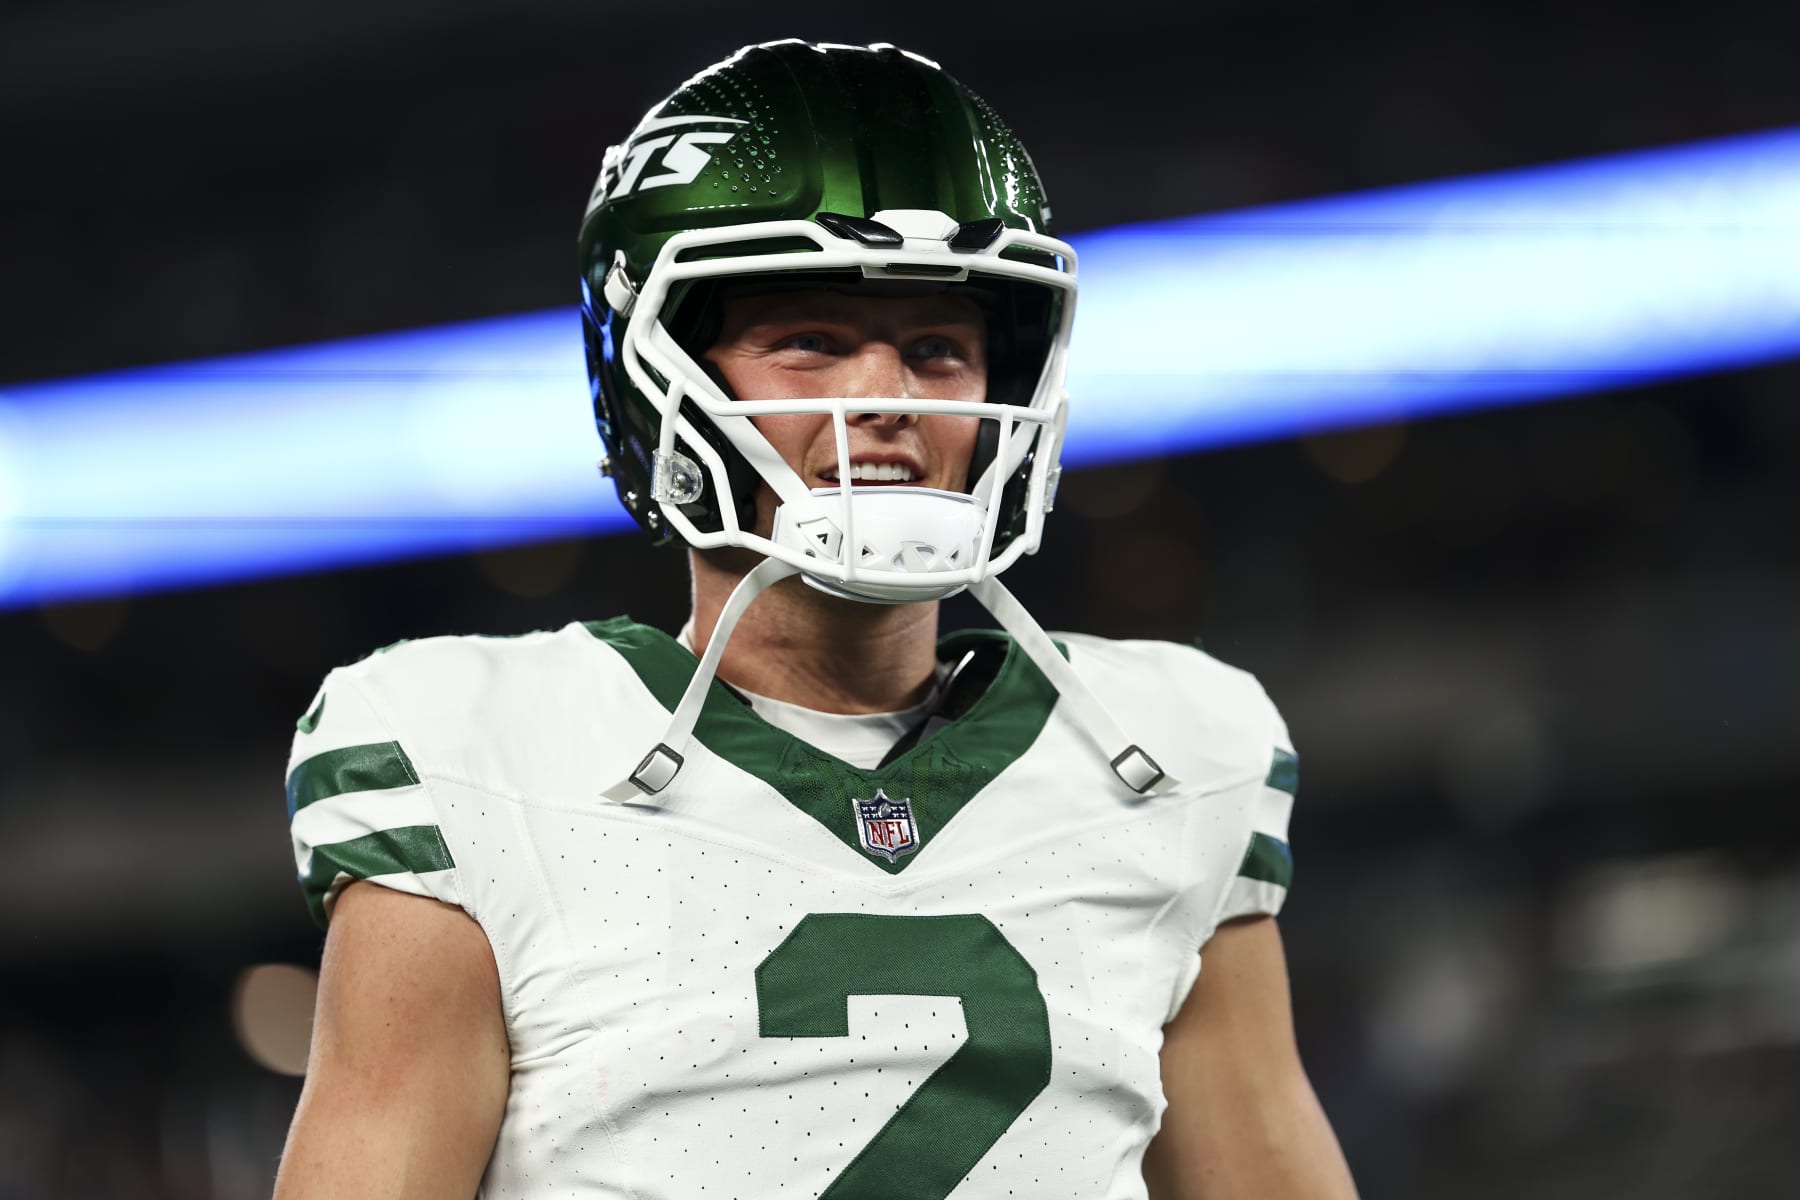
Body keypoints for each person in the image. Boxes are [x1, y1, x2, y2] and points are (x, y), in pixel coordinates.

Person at [274, 39, 1357, 1200]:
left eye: (937, 350)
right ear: (662, 383)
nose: (885, 400)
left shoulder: (1172, 753)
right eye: (812, 343)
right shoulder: (473, 757)